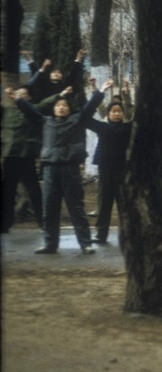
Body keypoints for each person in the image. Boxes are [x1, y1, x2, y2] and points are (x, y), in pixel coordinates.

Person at [16, 85, 103, 254]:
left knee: (76, 207)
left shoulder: (76, 120)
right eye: (58, 106)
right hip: (50, 169)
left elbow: (89, 108)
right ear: (54, 109)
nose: (61, 107)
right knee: (49, 208)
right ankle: (50, 244)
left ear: (69, 109)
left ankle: (85, 243)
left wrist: (100, 92)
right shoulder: (46, 121)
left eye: (64, 106)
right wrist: (18, 99)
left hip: (70, 169)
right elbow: (31, 112)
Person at [84, 79, 132, 246]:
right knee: (104, 202)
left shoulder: (128, 128)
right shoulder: (102, 127)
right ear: (108, 114)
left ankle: (127, 234)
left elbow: (135, 114)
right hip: (105, 169)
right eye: (113, 111)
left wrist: (126, 96)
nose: (116, 114)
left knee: (124, 203)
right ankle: (101, 234)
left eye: (119, 111)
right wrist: (100, 92)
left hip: (123, 170)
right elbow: (84, 116)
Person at [2, 85, 44, 233]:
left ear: (29, 97)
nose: (18, 96)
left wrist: (18, 99)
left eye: (22, 94)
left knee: (34, 191)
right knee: (8, 191)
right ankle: (4, 224)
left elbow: (33, 114)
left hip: (26, 155)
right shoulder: (8, 111)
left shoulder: (33, 110)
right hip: (10, 154)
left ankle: (43, 222)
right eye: (17, 93)